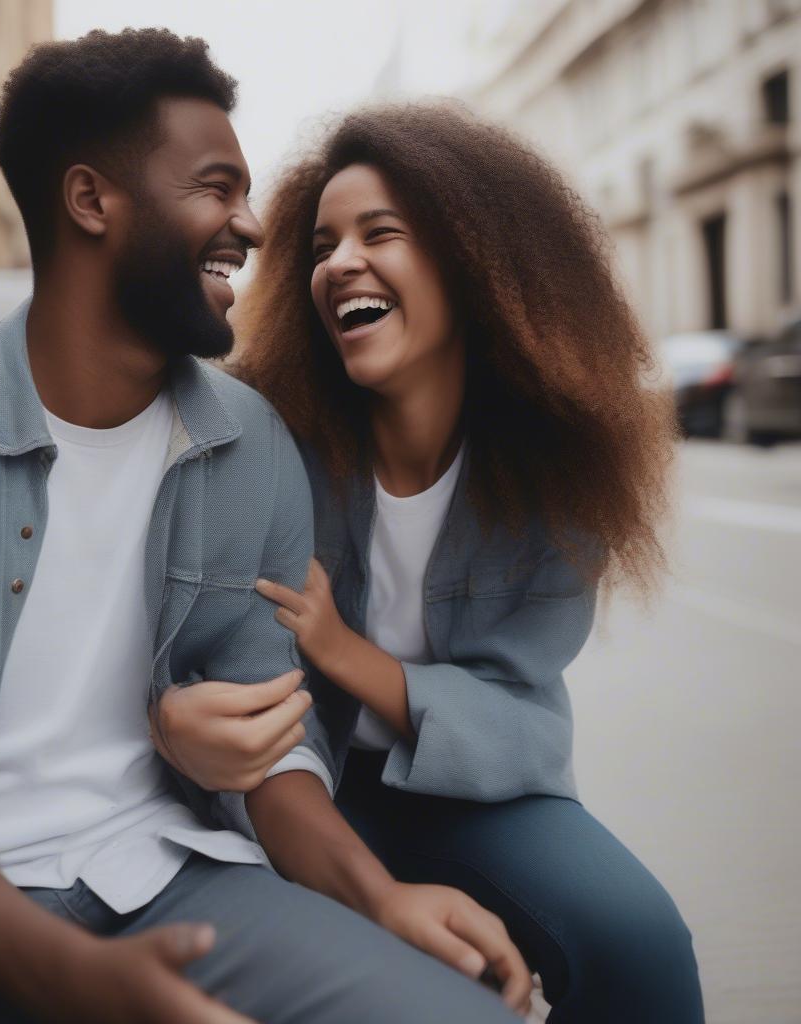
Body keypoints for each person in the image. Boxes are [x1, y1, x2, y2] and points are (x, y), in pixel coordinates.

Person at [0, 33, 530, 1024]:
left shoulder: (253, 444)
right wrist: (73, 979)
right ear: (92, 201)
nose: (254, 226)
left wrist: (375, 896)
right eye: (217, 189)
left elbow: (273, 740)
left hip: (175, 879)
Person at [157, 102, 706, 1023]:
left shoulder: (560, 471)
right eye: (324, 243)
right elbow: (252, 713)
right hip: (308, 787)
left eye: (382, 233)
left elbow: (522, 720)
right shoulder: (273, 445)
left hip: (476, 789)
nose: (340, 263)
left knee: (639, 942)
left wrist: (346, 653)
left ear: (475, 264)